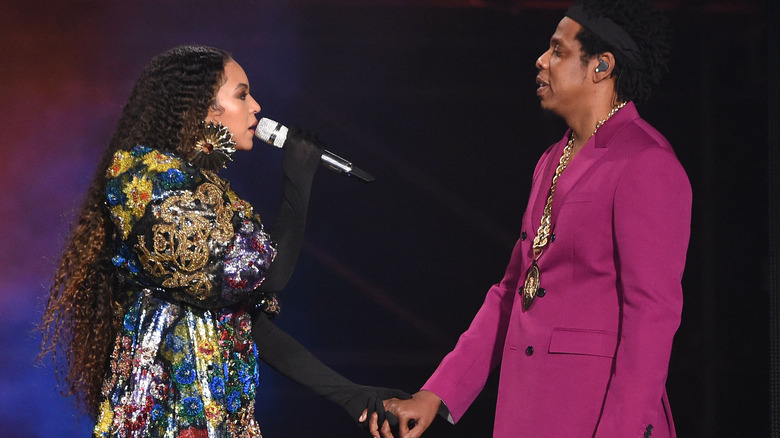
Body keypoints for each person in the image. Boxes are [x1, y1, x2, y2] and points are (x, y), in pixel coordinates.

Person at [37, 45, 405, 437]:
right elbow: (269, 275)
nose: (257, 107)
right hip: (167, 420)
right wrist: (298, 178)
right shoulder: (146, 181)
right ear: (203, 107)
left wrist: (351, 395)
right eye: (242, 95)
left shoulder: (206, 191)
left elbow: (248, 322)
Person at [373, 1, 692, 437]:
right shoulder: (551, 159)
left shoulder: (645, 162)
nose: (542, 61)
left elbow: (651, 319)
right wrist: (437, 393)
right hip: (528, 413)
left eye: (558, 51)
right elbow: (513, 291)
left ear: (601, 66)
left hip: (595, 417)